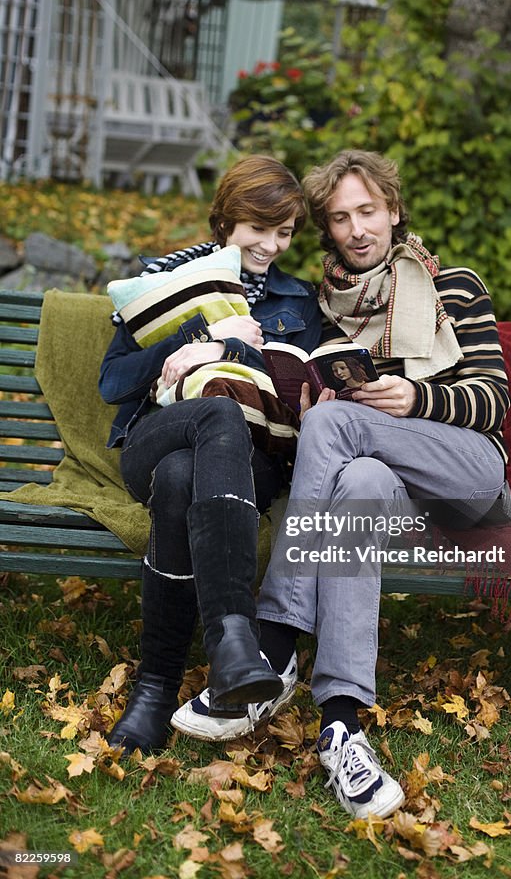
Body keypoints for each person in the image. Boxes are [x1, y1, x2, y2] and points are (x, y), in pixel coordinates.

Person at [172, 149, 511, 819]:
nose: (357, 229)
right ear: (327, 230)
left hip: (468, 475)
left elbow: (495, 401)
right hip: (384, 495)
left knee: (336, 428)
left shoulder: (454, 287)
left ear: (391, 211)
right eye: (340, 217)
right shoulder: (325, 306)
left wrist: (416, 398)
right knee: (352, 480)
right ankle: (340, 723)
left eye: (368, 211)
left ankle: (275, 639)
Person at [99, 155, 321, 755]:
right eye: (260, 228)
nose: (272, 245)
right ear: (225, 222)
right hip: (155, 436)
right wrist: (192, 341)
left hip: (250, 458)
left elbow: (296, 386)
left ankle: (153, 690)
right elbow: (113, 383)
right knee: (195, 437)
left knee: (181, 479)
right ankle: (235, 643)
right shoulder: (163, 285)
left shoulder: (298, 305)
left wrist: (232, 350)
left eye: (285, 232)